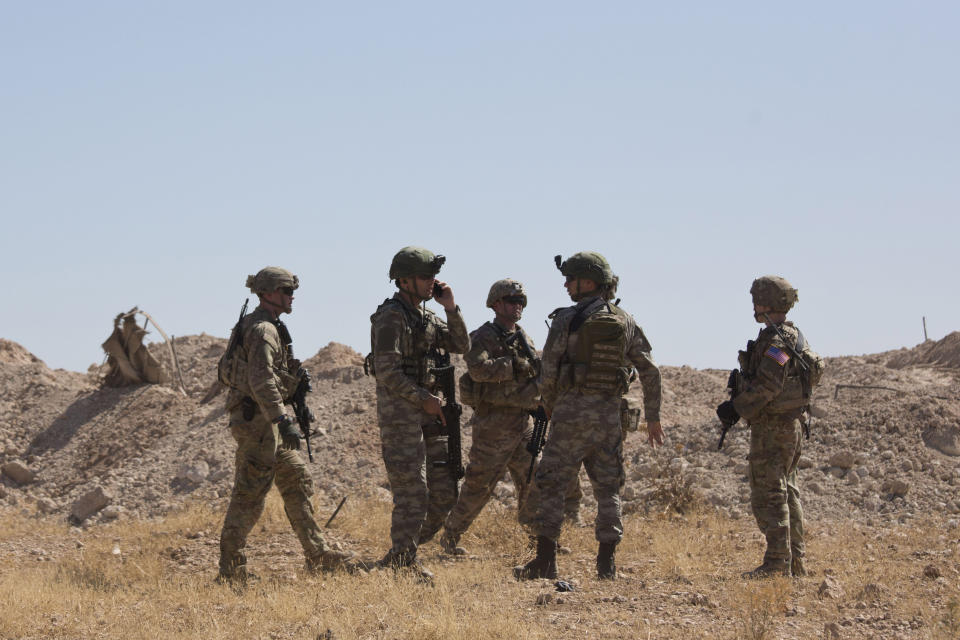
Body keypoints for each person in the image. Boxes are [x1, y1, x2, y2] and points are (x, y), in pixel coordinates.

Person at [515, 252, 664, 581]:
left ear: (587, 282)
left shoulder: (566, 318)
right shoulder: (625, 320)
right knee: (608, 487)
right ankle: (606, 565)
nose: (566, 285)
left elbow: (549, 371)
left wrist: (549, 405)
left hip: (570, 413)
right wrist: (653, 418)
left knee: (552, 483)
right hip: (610, 416)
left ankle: (545, 562)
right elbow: (651, 372)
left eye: (571, 279)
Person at [218, 267, 356, 584]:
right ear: (268, 293)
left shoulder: (265, 326)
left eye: (292, 291)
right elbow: (261, 379)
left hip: (265, 423)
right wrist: (282, 419)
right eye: (285, 290)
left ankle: (318, 555)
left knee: (297, 479)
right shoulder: (263, 330)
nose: (292, 297)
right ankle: (230, 570)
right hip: (260, 425)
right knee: (249, 496)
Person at [439, 279, 579, 555]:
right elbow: (477, 369)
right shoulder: (484, 336)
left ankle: (536, 540)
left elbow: (533, 372)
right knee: (480, 485)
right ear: (496, 304)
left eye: (521, 302)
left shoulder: (523, 336)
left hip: (522, 422)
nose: (518, 306)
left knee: (534, 479)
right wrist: (513, 365)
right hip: (494, 425)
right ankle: (450, 536)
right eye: (512, 301)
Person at [368, 247, 470, 579]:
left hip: (429, 411)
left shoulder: (425, 317)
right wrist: (421, 397)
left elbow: (461, 344)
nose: (431, 283)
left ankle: (406, 548)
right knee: (412, 489)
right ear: (404, 280)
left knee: (444, 488)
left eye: (432, 277)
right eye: (425, 277)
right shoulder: (391, 317)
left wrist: (450, 307)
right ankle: (402, 560)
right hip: (401, 413)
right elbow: (386, 371)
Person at [715, 276, 822, 578]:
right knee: (787, 491)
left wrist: (735, 408)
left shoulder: (777, 342)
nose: (753, 305)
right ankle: (794, 563)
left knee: (770, 493)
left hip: (774, 428)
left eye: (756, 300)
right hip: (791, 425)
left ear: (764, 303)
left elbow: (768, 386)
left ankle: (777, 563)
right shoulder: (792, 336)